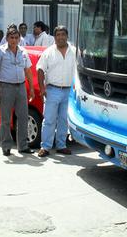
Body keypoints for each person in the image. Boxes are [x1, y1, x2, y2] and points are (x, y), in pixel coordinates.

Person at [0, 26, 35, 156]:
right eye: (11, 38)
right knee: (6, 118)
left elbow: (28, 71)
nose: (14, 40)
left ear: (19, 39)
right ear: (7, 38)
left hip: (21, 87)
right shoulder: (0, 51)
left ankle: (23, 146)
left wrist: (31, 88)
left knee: (23, 117)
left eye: (16, 38)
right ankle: (6, 146)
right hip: (6, 87)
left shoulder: (23, 52)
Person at [36, 26, 76, 157]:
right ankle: (45, 147)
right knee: (49, 120)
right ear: (54, 37)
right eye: (58, 35)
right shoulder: (49, 52)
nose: (60, 37)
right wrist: (42, 88)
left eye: (63, 34)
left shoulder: (74, 51)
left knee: (64, 120)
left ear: (67, 36)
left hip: (68, 91)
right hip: (52, 90)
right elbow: (40, 69)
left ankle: (61, 145)